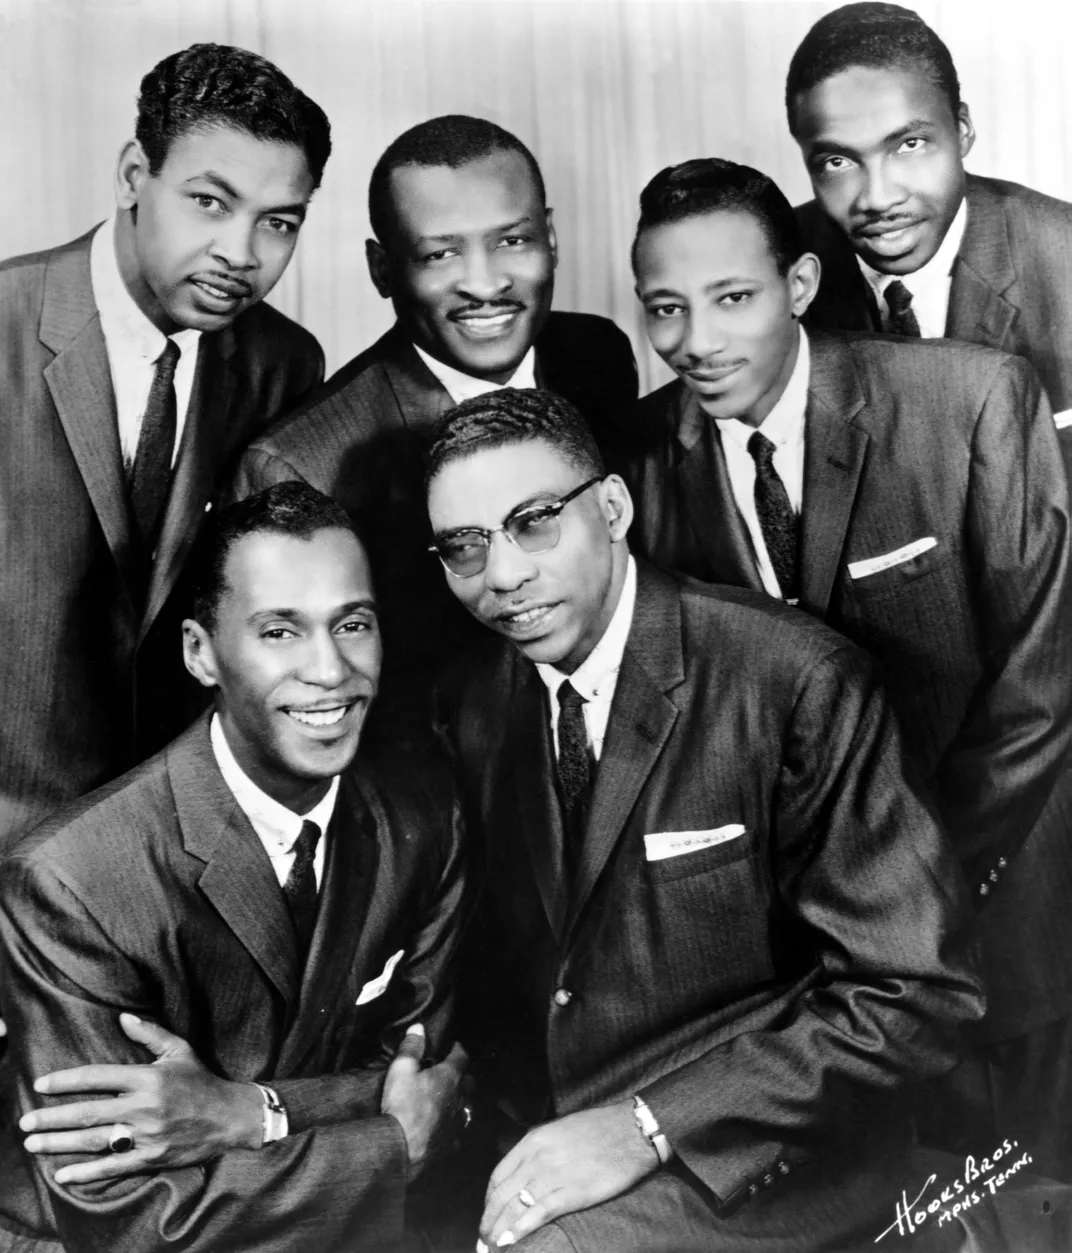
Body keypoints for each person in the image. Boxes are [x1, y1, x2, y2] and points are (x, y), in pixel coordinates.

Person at [425, 388, 983, 1251]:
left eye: (533, 521)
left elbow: (915, 993)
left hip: (769, 1152)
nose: (500, 575)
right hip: (553, 1140)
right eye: (464, 547)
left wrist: (648, 1124)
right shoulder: (467, 705)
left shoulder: (793, 677)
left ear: (613, 508)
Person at [624, 158, 1072, 1177]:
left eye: (732, 298)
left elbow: (1042, 681)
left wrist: (907, 878)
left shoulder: (967, 401)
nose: (697, 341)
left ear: (797, 286)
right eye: (664, 309)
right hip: (813, 973)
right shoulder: (637, 464)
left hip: (1005, 914)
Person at [0, 482, 469, 1253]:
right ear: (200, 652)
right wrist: (383, 1146)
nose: (330, 670)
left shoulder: (428, 814)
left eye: (353, 623)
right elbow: (133, 1214)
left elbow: (436, 1073)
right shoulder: (67, 880)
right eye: (280, 631)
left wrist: (249, 1112)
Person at [0, 43, 330, 850]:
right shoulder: (4, 325)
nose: (241, 254)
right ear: (131, 176)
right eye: (211, 203)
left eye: (278, 222)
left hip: (174, 844)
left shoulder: (282, 362)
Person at [232, 114, 638, 744]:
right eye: (439, 254)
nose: (485, 283)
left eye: (513, 241)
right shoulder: (303, 462)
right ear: (382, 270)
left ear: (551, 237)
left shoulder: (597, 357)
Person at [786, 1, 1072, 471]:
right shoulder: (779, 275)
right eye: (837, 162)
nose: (877, 199)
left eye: (909, 145)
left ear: (962, 130)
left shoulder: (1061, 256)